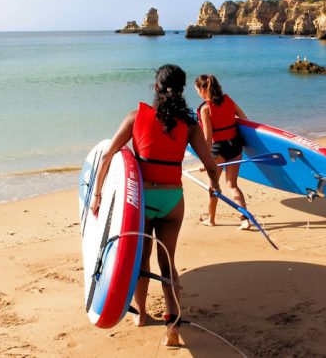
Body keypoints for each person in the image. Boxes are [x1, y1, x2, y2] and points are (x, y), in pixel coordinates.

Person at [90, 64, 220, 347]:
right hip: (173, 200)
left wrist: (97, 195)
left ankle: (141, 314)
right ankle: (173, 328)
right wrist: (215, 186)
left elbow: (109, 155)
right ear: (182, 89)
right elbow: (211, 165)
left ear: (156, 87)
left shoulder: (136, 116)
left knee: (142, 258)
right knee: (167, 261)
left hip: (143, 200)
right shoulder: (189, 124)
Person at [193, 74, 251, 230]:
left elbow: (208, 138)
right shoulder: (228, 99)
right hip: (235, 147)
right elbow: (244, 119)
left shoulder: (205, 109)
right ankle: (245, 219)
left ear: (203, 89)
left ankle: (211, 220)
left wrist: (205, 161)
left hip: (218, 150)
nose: (198, 92)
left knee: (213, 186)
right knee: (232, 185)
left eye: (198, 89)